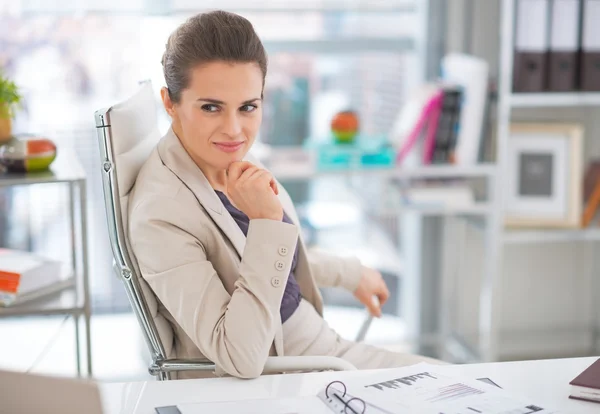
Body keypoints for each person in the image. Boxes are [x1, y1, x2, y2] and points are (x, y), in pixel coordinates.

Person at [128, 10, 440, 380]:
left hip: (318, 346)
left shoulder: (224, 157)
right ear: (170, 103)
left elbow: (270, 261)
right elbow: (238, 355)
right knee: (455, 385)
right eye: (211, 107)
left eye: (248, 107)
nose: (234, 130)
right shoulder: (161, 214)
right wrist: (265, 220)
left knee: (461, 383)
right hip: (291, 368)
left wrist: (350, 273)